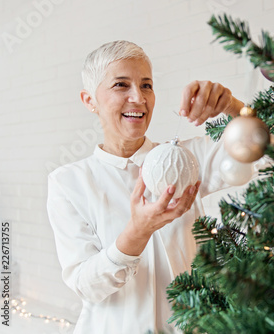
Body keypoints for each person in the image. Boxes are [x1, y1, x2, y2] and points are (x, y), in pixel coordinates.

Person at [47, 40, 246, 334]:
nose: (138, 98)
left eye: (146, 85)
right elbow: (86, 285)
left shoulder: (187, 160)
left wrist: (234, 107)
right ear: (89, 100)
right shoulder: (68, 182)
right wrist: (137, 232)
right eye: (121, 85)